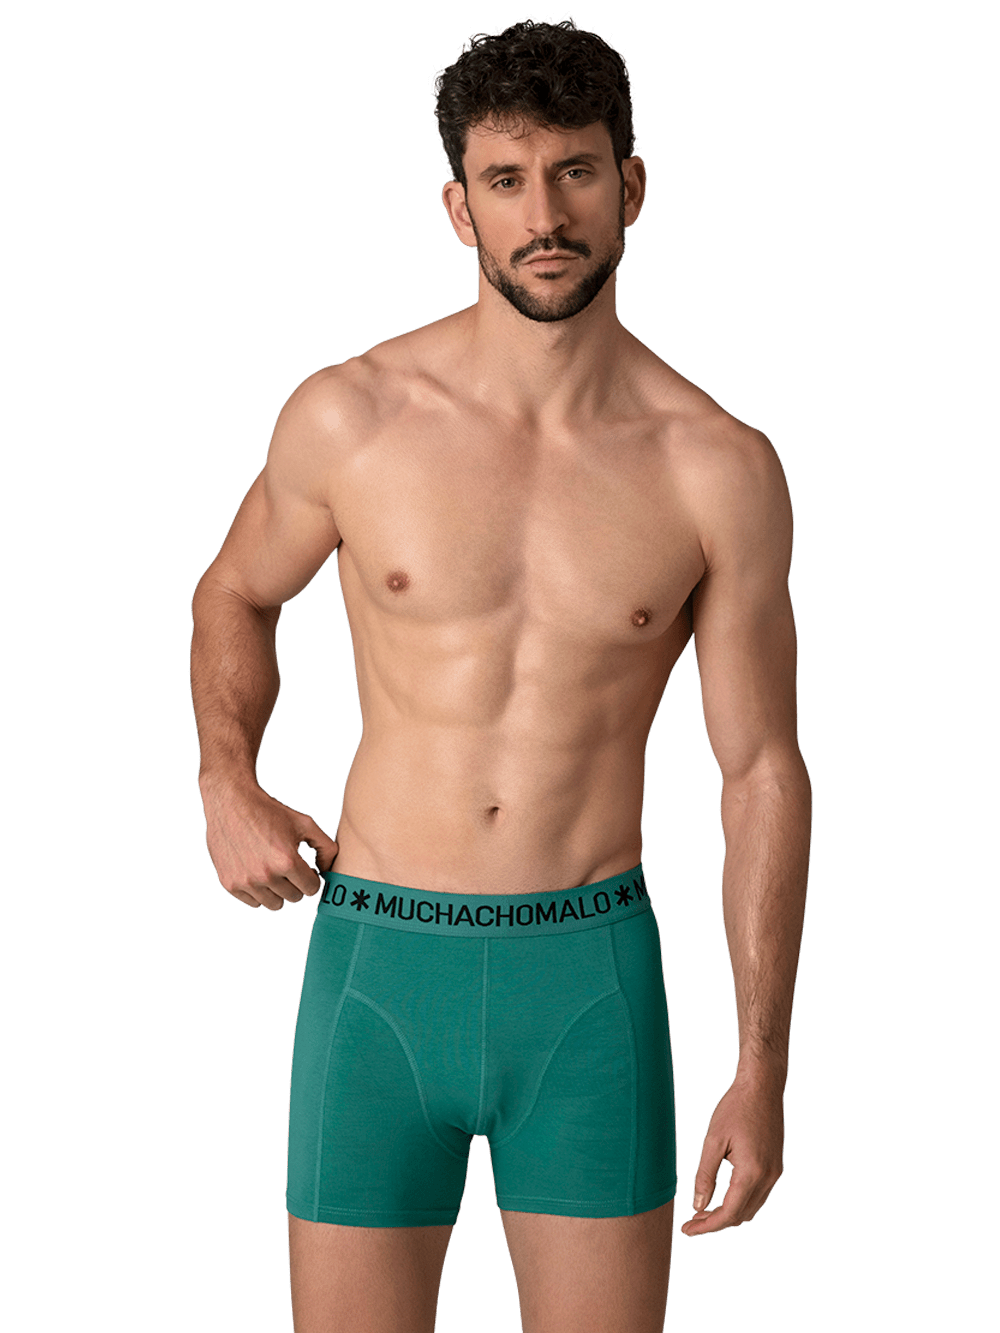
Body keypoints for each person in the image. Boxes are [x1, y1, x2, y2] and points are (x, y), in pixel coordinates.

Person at [189, 16, 811, 1332]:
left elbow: (759, 770)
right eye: (507, 180)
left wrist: (762, 1065)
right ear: (458, 208)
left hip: (588, 981)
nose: (545, 216)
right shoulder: (350, 416)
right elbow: (235, 592)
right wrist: (225, 778)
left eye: (576, 172)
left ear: (629, 185)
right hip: (376, 966)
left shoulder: (716, 467)